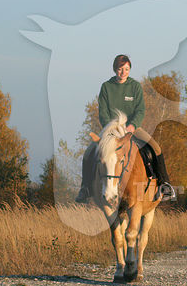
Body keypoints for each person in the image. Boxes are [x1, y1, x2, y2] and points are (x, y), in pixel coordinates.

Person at [75, 54, 176, 202]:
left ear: (130, 70)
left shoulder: (135, 87)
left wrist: (132, 126)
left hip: (132, 129)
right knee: (89, 151)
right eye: (121, 69)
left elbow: (140, 110)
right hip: (112, 131)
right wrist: (112, 128)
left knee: (156, 147)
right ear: (115, 69)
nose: (123, 72)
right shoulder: (106, 87)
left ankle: (164, 184)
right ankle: (86, 188)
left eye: (127, 69)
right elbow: (103, 112)